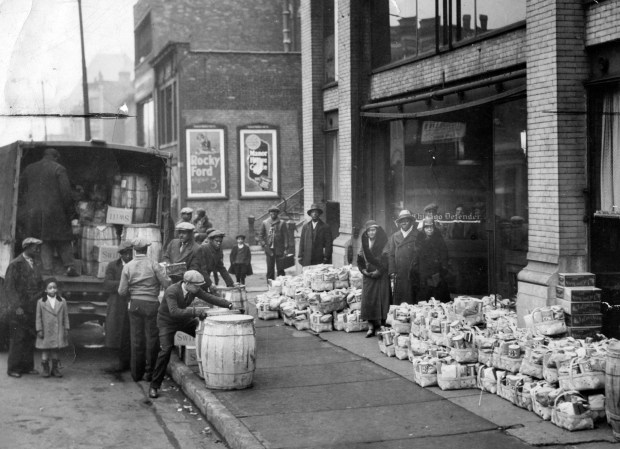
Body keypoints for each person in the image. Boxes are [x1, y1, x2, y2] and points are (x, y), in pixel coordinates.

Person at [148, 270, 234, 399]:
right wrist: (196, 311)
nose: (198, 288)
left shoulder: (194, 289)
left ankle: (210, 370)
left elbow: (208, 297)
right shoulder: (172, 291)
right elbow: (174, 311)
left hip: (183, 321)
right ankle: (154, 386)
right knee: (165, 351)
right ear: (187, 283)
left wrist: (228, 304)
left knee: (205, 336)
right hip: (166, 323)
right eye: (196, 286)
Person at [18, 148, 79, 277]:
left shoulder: (29, 168)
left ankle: (47, 269)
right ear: (56, 157)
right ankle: (69, 266)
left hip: (34, 213)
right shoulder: (59, 169)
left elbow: (21, 189)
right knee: (64, 240)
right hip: (56, 212)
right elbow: (66, 193)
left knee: (43, 239)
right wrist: (72, 213)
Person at [118, 238, 170, 383]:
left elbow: (122, 291)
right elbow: (166, 284)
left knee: (136, 339)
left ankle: (136, 374)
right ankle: (150, 374)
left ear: (134, 250)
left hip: (134, 305)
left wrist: (133, 294)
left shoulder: (128, 266)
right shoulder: (154, 265)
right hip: (152, 305)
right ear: (147, 249)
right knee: (152, 340)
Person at [5, 238, 44, 378]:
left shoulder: (36, 263)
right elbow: (9, 289)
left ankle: (27, 367)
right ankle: (13, 368)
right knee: (18, 338)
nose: (37, 250)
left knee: (29, 337)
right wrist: (17, 308)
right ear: (26, 248)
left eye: (38, 248)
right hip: (19, 308)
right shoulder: (15, 264)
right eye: (35, 248)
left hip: (32, 307)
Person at [102, 241, 133, 373]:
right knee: (118, 331)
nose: (128, 256)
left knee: (130, 332)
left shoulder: (135, 265)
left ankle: (130, 361)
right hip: (118, 302)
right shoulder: (113, 265)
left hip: (132, 301)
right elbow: (107, 284)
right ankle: (121, 361)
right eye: (125, 253)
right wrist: (124, 284)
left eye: (130, 253)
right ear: (121, 254)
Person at [357, 221, 391, 338]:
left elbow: (386, 258)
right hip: (368, 275)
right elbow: (360, 258)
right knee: (368, 299)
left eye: (373, 230)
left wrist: (379, 271)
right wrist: (363, 270)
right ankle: (371, 326)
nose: (371, 232)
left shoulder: (383, 241)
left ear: (377, 231)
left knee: (382, 298)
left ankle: (381, 324)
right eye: (369, 230)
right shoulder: (364, 242)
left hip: (380, 273)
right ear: (366, 232)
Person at [35, 278, 70, 378]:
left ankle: (55, 369)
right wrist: (39, 329)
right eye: (50, 288)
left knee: (55, 350)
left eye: (54, 287)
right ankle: (46, 369)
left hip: (58, 330)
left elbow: (65, 316)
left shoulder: (62, 301)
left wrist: (66, 328)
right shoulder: (41, 302)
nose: (53, 290)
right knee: (45, 350)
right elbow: (38, 317)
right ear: (46, 290)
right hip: (45, 330)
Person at [412, 217, 451, 303]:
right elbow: (416, 259)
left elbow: (444, 258)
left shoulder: (439, 240)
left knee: (439, 300)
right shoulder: (419, 241)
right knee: (424, 300)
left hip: (437, 275)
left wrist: (441, 272)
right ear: (423, 228)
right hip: (423, 276)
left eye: (431, 227)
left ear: (434, 228)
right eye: (427, 227)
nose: (429, 229)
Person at [385, 210, 418, 304]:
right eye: (402, 220)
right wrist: (392, 271)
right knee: (400, 298)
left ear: (411, 221)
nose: (404, 222)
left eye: (406, 220)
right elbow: (391, 255)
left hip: (413, 273)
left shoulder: (417, 235)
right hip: (399, 273)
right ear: (399, 223)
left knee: (412, 297)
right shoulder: (395, 236)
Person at [258, 207, 291, 280]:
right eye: (271, 212)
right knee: (270, 268)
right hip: (269, 249)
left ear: (277, 213)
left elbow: (286, 236)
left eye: (275, 212)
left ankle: (281, 284)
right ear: (269, 213)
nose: (273, 213)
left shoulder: (282, 223)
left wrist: (286, 248)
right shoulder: (265, 222)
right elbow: (260, 236)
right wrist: (264, 244)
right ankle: (270, 286)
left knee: (280, 268)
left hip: (280, 248)